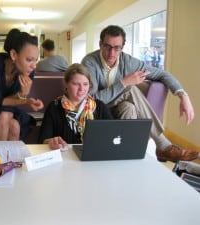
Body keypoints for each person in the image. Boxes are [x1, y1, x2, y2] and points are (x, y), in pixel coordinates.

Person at [81, 25, 199, 162]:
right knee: (130, 88)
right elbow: (91, 100)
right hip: (97, 110)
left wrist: (183, 95)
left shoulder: (128, 62)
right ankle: (163, 145)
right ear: (100, 44)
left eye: (117, 48)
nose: (112, 53)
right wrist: (124, 83)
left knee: (128, 107)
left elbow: (162, 74)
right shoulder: (89, 62)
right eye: (107, 46)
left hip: (118, 109)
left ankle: (126, 152)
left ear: (122, 48)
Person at [38, 63, 113, 150]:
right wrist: (51, 142)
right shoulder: (54, 107)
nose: (81, 89)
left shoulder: (100, 107)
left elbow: (113, 134)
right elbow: (42, 141)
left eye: (85, 84)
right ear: (66, 84)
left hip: (93, 157)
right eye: (76, 84)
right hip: (64, 158)